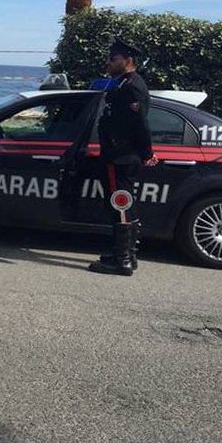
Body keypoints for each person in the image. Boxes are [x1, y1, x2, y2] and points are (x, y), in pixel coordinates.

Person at [89, 37, 158, 276]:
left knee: (120, 204)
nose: (108, 62)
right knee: (122, 203)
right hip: (119, 154)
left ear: (127, 60)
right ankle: (125, 253)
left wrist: (147, 153)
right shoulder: (121, 84)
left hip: (121, 156)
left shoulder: (132, 86)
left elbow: (140, 124)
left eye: (113, 59)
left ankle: (123, 260)